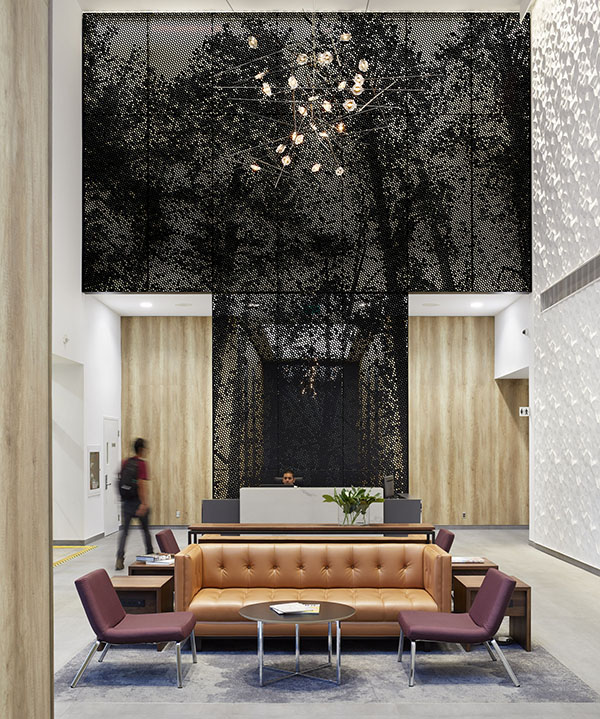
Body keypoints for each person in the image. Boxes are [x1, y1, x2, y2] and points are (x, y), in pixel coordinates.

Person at [115, 438, 154, 570]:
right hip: (137, 501)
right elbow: (141, 484)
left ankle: (119, 558)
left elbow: (120, 480)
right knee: (145, 531)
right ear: (142, 449)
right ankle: (150, 554)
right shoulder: (141, 464)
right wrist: (143, 503)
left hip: (126, 503)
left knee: (124, 532)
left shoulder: (125, 462)